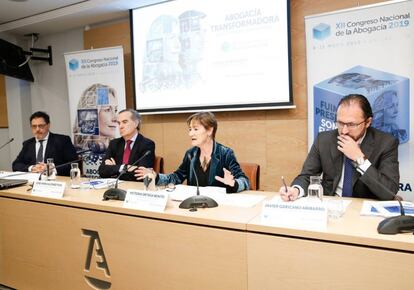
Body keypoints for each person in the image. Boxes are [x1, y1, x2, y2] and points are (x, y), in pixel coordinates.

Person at [279, 94, 399, 201]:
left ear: (368, 122)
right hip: (330, 207)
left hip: (362, 210)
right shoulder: (324, 139)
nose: (344, 131)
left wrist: (359, 158)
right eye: (340, 123)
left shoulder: (386, 143)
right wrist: (296, 190)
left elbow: (388, 192)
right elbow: (307, 176)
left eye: (352, 124)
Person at [135, 111, 250, 193]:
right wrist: (156, 176)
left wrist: (233, 183)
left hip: (219, 207)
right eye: (190, 129)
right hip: (194, 206)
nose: (190, 134)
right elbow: (177, 177)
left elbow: (245, 181)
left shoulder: (225, 153)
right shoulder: (191, 154)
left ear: (210, 130)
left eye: (195, 129)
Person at [12, 111, 78, 176]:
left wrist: (52, 169)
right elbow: (15, 165)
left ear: (48, 125)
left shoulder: (62, 140)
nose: (37, 129)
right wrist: (32, 168)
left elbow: (74, 163)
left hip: (55, 181)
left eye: (41, 126)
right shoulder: (28, 144)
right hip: (33, 180)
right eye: (34, 126)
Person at [98, 109, 155, 181]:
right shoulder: (114, 144)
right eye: (119, 123)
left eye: (125, 122)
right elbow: (102, 171)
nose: (120, 126)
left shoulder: (147, 144)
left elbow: (140, 175)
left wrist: (114, 168)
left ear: (136, 123)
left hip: (135, 188)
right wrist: (123, 167)